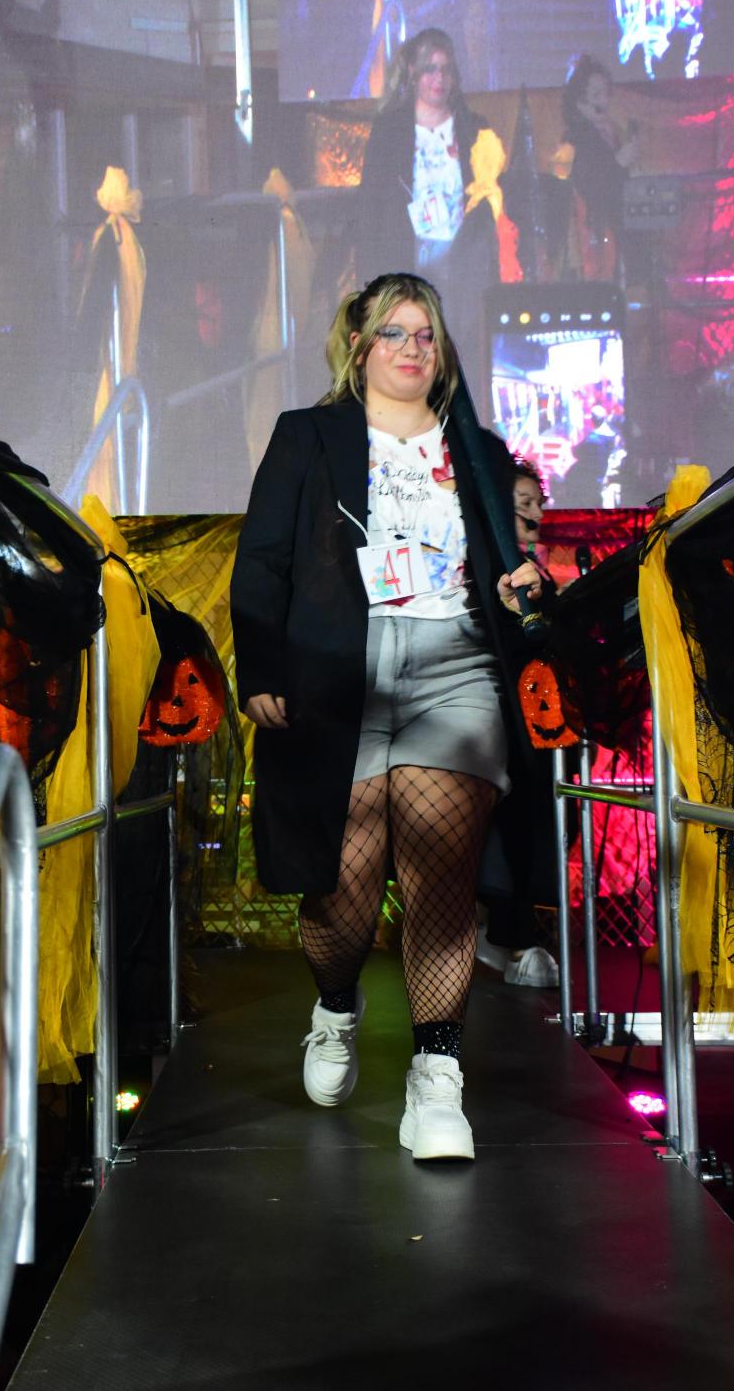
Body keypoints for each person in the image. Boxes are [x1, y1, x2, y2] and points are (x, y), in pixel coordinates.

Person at [230, 271, 543, 1162]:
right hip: (340, 674)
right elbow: (263, 561)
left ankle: (437, 1078)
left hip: (455, 666)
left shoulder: (478, 449)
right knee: (345, 897)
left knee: (442, 878)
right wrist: (262, 669)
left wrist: (522, 591)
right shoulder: (308, 436)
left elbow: (505, 568)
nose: (413, 348)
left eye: (427, 334)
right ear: (360, 347)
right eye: (395, 333)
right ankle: (336, 1006)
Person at [357, 29, 500, 367]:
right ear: (412, 72)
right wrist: (370, 282)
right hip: (408, 267)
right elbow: (369, 209)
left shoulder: (474, 128)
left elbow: (490, 202)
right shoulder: (389, 132)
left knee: (462, 363)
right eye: (430, 69)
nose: (439, 78)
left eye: (446, 69)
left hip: (464, 270)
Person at [477, 458, 560, 988]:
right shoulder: (485, 574)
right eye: (523, 503)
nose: (535, 513)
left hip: (538, 724)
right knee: (503, 826)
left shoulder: (535, 572)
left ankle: (511, 933)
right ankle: (507, 935)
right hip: (497, 721)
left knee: (536, 823)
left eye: (538, 503)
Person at [561, 55, 639, 283]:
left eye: (606, 92)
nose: (604, 100)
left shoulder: (611, 131)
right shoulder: (575, 139)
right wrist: (618, 163)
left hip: (619, 229)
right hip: (595, 237)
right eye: (596, 94)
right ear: (580, 102)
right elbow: (587, 188)